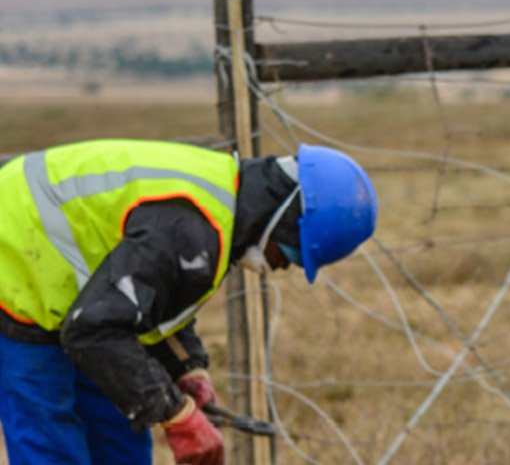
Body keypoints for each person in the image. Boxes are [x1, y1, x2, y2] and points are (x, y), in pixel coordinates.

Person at [0, 139, 377, 465]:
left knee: (121, 443)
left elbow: (149, 294)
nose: (282, 267)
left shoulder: (222, 208)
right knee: (51, 445)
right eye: (293, 254)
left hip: (81, 302)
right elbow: (94, 330)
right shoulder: (189, 229)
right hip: (15, 262)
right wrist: (176, 414)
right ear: (283, 217)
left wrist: (187, 368)